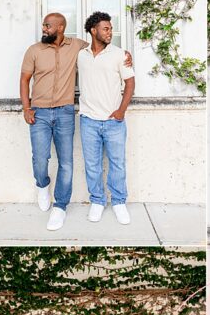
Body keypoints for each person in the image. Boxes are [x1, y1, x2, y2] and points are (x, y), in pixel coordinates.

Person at [19, 13, 132, 231]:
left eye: (48, 25)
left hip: (67, 112)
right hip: (42, 113)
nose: (44, 29)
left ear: (61, 27)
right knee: (41, 158)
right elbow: (24, 79)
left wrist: (125, 55)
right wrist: (26, 107)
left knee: (69, 163)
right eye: (44, 25)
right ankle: (43, 185)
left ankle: (62, 206)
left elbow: (107, 54)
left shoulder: (78, 48)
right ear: (94, 30)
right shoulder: (38, 50)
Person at [78, 11, 136, 225]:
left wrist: (121, 110)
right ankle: (97, 201)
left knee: (117, 164)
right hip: (88, 120)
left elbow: (130, 83)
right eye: (106, 29)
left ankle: (119, 202)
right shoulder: (80, 54)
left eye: (110, 28)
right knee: (92, 165)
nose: (110, 32)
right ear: (93, 31)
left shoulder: (120, 54)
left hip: (113, 121)